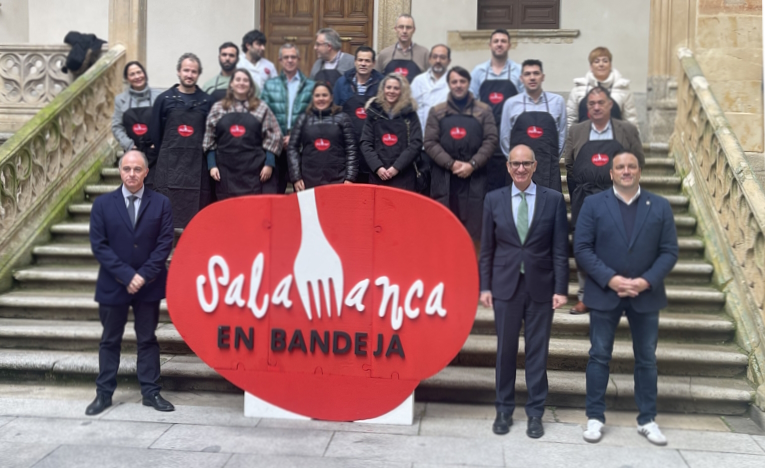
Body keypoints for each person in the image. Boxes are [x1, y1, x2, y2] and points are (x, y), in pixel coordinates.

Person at [574, 151, 678, 445]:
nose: (626, 171)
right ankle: (594, 418)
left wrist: (646, 281)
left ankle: (647, 420)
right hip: (605, 292)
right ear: (611, 173)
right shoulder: (594, 204)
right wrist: (611, 278)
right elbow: (582, 248)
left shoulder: (659, 205)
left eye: (632, 166)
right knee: (599, 356)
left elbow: (669, 251)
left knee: (646, 359)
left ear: (640, 171)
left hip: (646, 295)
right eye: (620, 167)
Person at [479, 144, 569, 439]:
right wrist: (485, 286)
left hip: (541, 287)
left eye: (525, 164)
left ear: (534, 166)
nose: (520, 168)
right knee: (505, 352)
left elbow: (560, 249)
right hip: (505, 287)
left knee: (537, 353)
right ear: (508, 166)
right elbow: (487, 250)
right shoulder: (493, 199)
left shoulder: (553, 200)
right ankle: (504, 410)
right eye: (515, 164)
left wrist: (561, 288)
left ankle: (535, 414)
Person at [86, 150, 175, 416]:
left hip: (149, 285)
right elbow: (99, 246)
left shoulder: (161, 203)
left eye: (137, 169)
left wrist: (143, 275)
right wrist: (127, 275)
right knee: (110, 340)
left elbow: (164, 245)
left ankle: (151, 392)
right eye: (127, 169)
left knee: (147, 339)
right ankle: (103, 395)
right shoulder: (102, 204)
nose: (132, 174)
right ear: (120, 171)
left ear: (146, 172)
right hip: (113, 285)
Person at [563, 86, 643, 315]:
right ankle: (585, 297)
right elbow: (569, 163)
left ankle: (619, 296)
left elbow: (638, 161)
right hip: (585, 198)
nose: (596, 107)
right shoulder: (576, 131)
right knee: (583, 246)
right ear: (586, 107)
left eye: (601, 102)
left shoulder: (626, 130)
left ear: (610, 105)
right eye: (591, 103)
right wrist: (579, 190)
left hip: (617, 197)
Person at [424, 66, 498, 242]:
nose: (458, 85)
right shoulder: (437, 111)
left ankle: (474, 267)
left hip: (475, 177)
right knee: (443, 229)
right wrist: (451, 163)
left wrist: (472, 164)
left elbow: (491, 140)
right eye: (454, 81)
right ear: (449, 84)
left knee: (475, 230)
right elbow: (429, 142)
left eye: (462, 81)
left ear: (468, 83)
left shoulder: (484, 110)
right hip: (444, 178)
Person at [149, 53, 213, 229]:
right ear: (178, 72)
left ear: (198, 74)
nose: (189, 74)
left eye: (194, 71)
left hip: (197, 168)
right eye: (186, 70)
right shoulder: (164, 100)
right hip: (169, 167)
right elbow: (156, 132)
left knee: (197, 215)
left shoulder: (207, 101)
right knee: (166, 211)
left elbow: (211, 133)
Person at [203, 69, 283, 199]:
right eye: (238, 80)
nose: (241, 83)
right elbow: (209, 139)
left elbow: (274, 136)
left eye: (245, 80)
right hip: (226, 172)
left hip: (255, 171)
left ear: (250, 85)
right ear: (231, 84)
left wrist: (269, 163)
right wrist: (212, 166)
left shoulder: (261, 107)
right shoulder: (218, 108)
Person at [469, 29, 524, 193]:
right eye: (496, 41)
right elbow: (472, 103)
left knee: (509, 179)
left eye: (503, 41)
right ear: (490, 45)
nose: (499, 44)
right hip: (485, 135)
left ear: (509, 45)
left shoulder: (518, 71)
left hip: (510, 135)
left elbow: (523, 104)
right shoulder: (479, 72)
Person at [499, 60, 566, 192]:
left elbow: (562, 137)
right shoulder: (511, 104)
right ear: (521, 78)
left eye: (536, 73)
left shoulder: (557, 102)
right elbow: (504, 138)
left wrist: (550, 159)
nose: (532, 77)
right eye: (528, 74)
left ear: (542, 77)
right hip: (519, 170)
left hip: (548, 168)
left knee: (548, 208)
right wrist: (517, 163)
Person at [260, 43, 315, 194]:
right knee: (274, 196)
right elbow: (263, 116)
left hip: (301, 150)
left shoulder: (310, 86)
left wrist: (295, 138)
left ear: (298, 59)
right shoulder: (270, 86)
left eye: (293, 57)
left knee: (303, 196)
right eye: (286, 57)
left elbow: (313, 119)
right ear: (280, 60)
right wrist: (279, 138)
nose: (289, 60)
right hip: (275, 150)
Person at [287, 82, 359, 190]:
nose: (321, 98)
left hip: (338, 180)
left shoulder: (343, 118)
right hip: (308, 181)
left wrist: (350, 178)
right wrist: (296, 177)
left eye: (324, 95)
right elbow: (292, 148)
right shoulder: (304, 119)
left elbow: (352, 149)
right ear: (313, 98)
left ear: (331, 98)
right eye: (317, 95)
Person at [360, 73, 422, 191]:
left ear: (402, 91)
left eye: (396, 88)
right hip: (378, 175)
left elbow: (416, 143)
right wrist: (378, 167)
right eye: (388, 87)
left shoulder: (410, 114)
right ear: (383, 89)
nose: (391, 91)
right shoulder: (374, 113)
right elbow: (365, 143)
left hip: (404, 175)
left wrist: (396, 168)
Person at [334, 46, 385, 183]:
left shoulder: (383, 84)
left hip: (373, 146)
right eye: (360, 60)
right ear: (355, 62)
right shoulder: (341, 83)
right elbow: (335, 113)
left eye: (367, 61)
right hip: (348, 146)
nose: (363, 64)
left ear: (373, 63)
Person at [112, 61, 162, 189]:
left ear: (144, 74)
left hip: (155, 155)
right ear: (127, 78)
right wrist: (129, 145)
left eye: (139, 72)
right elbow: (117, 127)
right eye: (132, 74)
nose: (137, 76)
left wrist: (156, 143)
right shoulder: (120, 100)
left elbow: (164, 124)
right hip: (133, 153)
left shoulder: (159, 97)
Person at [566, 47, 638, 128]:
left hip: (615, 139)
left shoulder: (622, 88)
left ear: (610, 65)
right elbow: (571, 119)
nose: (601, 64)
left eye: (605, 61)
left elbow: (631, 121)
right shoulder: (578, 89)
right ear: (591, 66)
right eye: (596, 61)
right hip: (583, 139)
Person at [411, 44, 452, 136]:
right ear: (429, 59)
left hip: (446, 137)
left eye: (442, 57)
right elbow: (411, 109)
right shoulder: (419, 81)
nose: (438, 60)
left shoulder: (454, 82)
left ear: (449, 61)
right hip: (421, 136)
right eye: (435, 57)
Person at [375, 14, 429, 82]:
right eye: (401, 27)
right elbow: (376, 80)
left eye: (408, 27)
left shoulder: (424, 53)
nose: (404, 31)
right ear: (395, 29)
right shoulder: (384, 54)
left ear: (414, 30)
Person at [237, 29, 277, 94]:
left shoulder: (269, 65)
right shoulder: (237, 62)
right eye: (259, 44)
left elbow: (275, 88)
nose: (263, 48)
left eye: (263, 45)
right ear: (248, 46)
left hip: (262, 102)